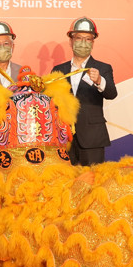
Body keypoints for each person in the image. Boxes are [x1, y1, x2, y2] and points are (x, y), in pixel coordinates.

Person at [51, 17, 117, 166]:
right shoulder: (58, 70)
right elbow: (50, 101)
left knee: (92, 178)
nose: (83, 43)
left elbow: (112, 94)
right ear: (71, 41)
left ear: (93, 43)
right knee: (65, 178)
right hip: (63, 138)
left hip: (92, 137)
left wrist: (99, 80)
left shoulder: (103, 68)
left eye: (88, 39)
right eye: (79, 38)